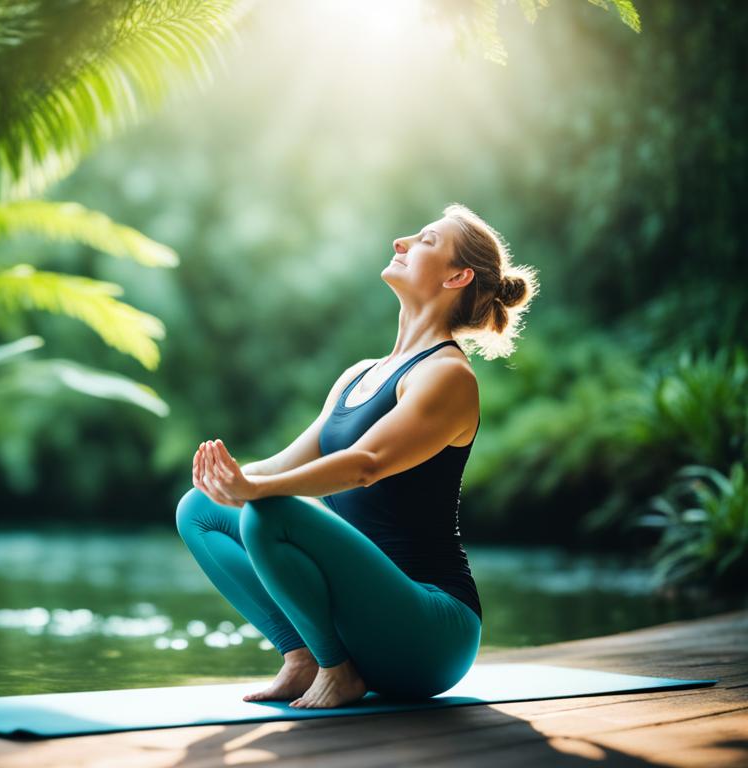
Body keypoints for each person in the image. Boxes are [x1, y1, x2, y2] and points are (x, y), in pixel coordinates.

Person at [175, 202, 539, 708]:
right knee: (197, 510)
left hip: (431, 631)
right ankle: (302, 657)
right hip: (366, 622)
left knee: (267, 513)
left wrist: (256, 492)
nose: (402, 242)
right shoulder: (359, 374)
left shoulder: (447, 376)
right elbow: (285, 465)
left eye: (426, 240)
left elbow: (367, 464)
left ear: (458, 276)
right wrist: (224, 480)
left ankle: (337, 670)